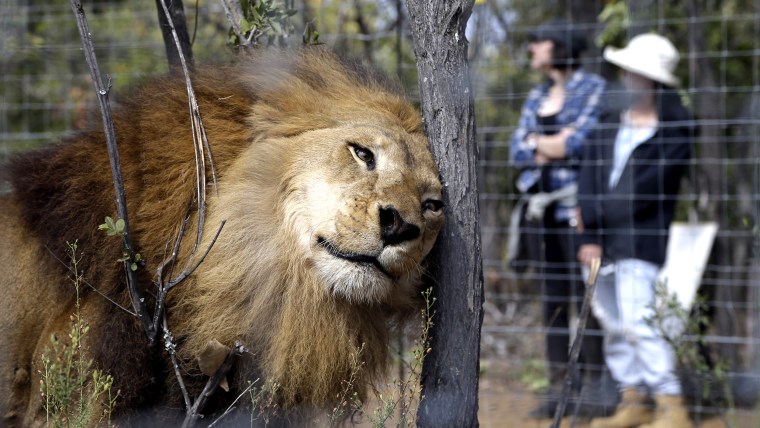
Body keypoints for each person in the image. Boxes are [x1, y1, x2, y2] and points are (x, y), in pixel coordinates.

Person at [576, 33, 693, 428]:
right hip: (598, 242)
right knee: (611, 323)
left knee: (641, 322)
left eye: (634, 71)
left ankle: (671, 404)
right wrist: (588, 235)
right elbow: (586, 179)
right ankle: (634, 402)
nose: (626, 77)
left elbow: (645, 193)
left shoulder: (676, 132)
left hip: (642, 240)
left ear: (652, 79)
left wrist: (589, 215)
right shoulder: (607, 124)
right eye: (625, 69)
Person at [509, 20, 614, 418]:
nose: (532, 47)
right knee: (552, 300)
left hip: (580, 215)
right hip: (541, 215)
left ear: (562, 46)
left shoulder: (594, 89)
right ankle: (559, 389)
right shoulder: (536, 95)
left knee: (586, 299)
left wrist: (540, 143)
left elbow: (582, 142)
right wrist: (546, 143)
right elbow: (515, 150)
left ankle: (595, 390)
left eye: (540, 40)